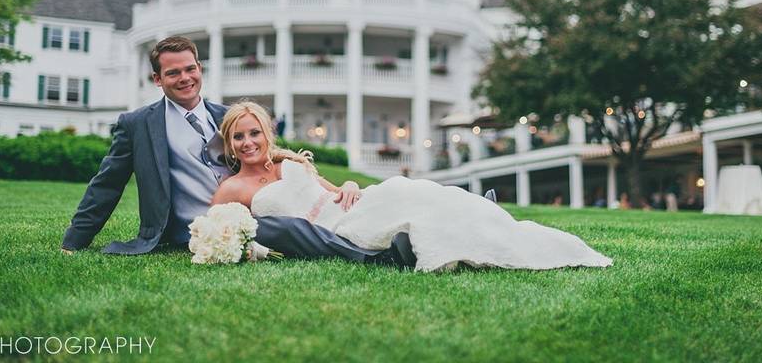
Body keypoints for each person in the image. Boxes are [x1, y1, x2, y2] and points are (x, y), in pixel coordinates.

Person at [61, 36, 412, 266]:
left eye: (190, 69)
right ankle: (374, 259)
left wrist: (340, 185)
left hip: (252, 207)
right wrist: (74, 240)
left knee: (306, 219)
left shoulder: (228, 116)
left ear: (200, 69)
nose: (184, 78)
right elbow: (107, 184)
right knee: (286, 228)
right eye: (172, 73)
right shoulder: (138, 125)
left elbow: (268, 156)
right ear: (157, 80)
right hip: (200, 231)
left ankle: (394, 235)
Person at [210, 100, 612, 272]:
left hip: (352, 203)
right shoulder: (232, 189)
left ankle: (478, 210)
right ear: (229, 143)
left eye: (254, 133)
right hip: (333, 230)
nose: (248, 144)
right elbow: (224, 231)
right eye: (239, 137)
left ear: (266, 132)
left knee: (412, 190)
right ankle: (478, 213)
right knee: (413, 208)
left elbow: (331, 187)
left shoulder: (288, 161)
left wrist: (349, 182)